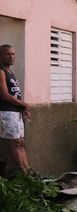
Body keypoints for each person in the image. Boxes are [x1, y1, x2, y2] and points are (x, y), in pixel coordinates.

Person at [0, 44, 30, 175]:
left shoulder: (10, 72)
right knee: (15, 143)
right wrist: (24, 104)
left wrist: (22, 108)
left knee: (21, 142)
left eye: (13, 54)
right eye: (7, 54)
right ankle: (23, 174)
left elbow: (15, 93)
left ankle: (30, 172)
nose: (11, 57)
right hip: (6, 112)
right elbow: (5, 95)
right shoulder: (1, 72)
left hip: (15, 112)